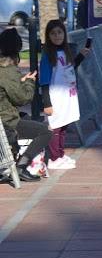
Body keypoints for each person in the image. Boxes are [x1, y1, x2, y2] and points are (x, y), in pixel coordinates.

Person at [39, 19, 90, 170]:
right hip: (56, 97)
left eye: (59, 32)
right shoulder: (48, 54)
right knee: (55, 126)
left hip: (68, 96)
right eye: (53, 33)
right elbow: (44, 81)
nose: (57, 36)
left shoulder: (66, 50)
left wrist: (81, 56)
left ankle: (60, 154)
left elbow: (69, 69)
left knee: (63, 126)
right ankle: (54, 158)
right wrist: (47, 103)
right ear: (48, 36)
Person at [0, 29, 48, 182]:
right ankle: (21, 166)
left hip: (4, 116)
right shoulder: (7, 71)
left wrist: (20, 81)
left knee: (26, 117)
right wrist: (29, 82)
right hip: (6, 122)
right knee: (45, 132)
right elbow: (23, 98)